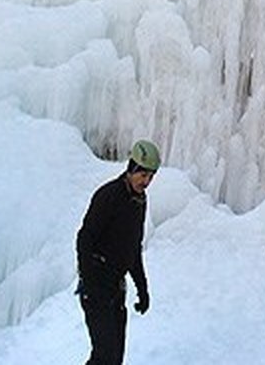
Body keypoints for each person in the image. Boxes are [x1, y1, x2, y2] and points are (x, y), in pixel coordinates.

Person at [76, 140, 160, 365]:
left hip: (115, 288)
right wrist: (91, 281)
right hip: (96, 288)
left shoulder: (139, 202)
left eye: (151, 176)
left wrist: (142, 288)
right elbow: (84, 238)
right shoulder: (108, 196)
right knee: (104, 355)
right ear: (131, 169)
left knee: (114, 358)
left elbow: (133, 249)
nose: (147, 181)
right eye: (143, 175)